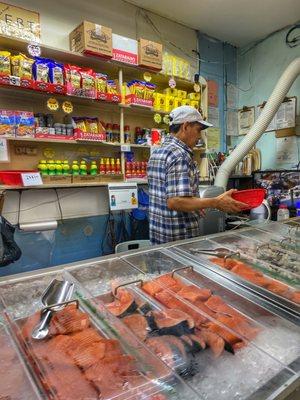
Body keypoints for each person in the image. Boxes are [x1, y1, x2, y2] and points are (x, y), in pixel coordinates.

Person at [147, 105, 247, 245]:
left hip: (160, 237)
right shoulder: (179, 155)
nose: (199, 136)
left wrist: (196, 204)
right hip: (179, 239)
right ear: (186, 126)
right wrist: (216, 202)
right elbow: (175, 201)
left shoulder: (157, 152)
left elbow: (166, 196)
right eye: (198, 130)